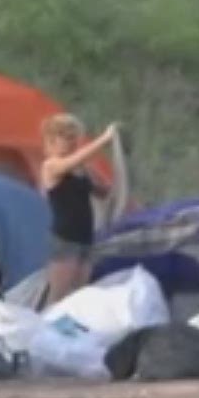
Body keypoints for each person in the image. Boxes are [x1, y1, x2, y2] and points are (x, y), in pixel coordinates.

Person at [39, 114, 118, 304]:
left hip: (85, 238)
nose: (72, 142)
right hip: (65, 239)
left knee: (81, 296)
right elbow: (71, 162)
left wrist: (115, 183)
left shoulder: (82, 169)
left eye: (74, 137)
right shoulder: (51, 166)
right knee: (59, 297)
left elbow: (102, 192)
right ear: (52, 140)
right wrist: (105, 139)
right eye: (66, 137)